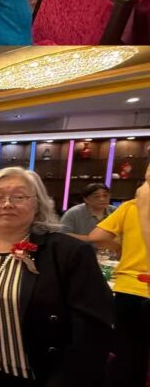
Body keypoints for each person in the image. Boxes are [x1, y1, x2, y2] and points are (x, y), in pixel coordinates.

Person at [0, 166, 113, 387]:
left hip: (43, 376)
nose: (7, 204)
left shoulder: (67, 252)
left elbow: (93, 332)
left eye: (19, 196)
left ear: (38, 204)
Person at [86, 165, 149, 387]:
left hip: (129, 288)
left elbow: (97, 236)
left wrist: (119, 247)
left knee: (126, 355)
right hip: (133, 289)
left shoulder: (131, 207)